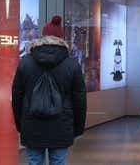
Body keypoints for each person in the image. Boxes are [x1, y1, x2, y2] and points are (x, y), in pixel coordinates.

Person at [12, 15, 87, 165]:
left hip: (32, 124)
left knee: (34, 161)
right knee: (58, 162)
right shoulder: (72, 65)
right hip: (62, 125)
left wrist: (20, 125)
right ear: (61, 39)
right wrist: (78, 128)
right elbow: (80, 100)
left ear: (43, 37)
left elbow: (17, 97)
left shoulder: (26, 63)